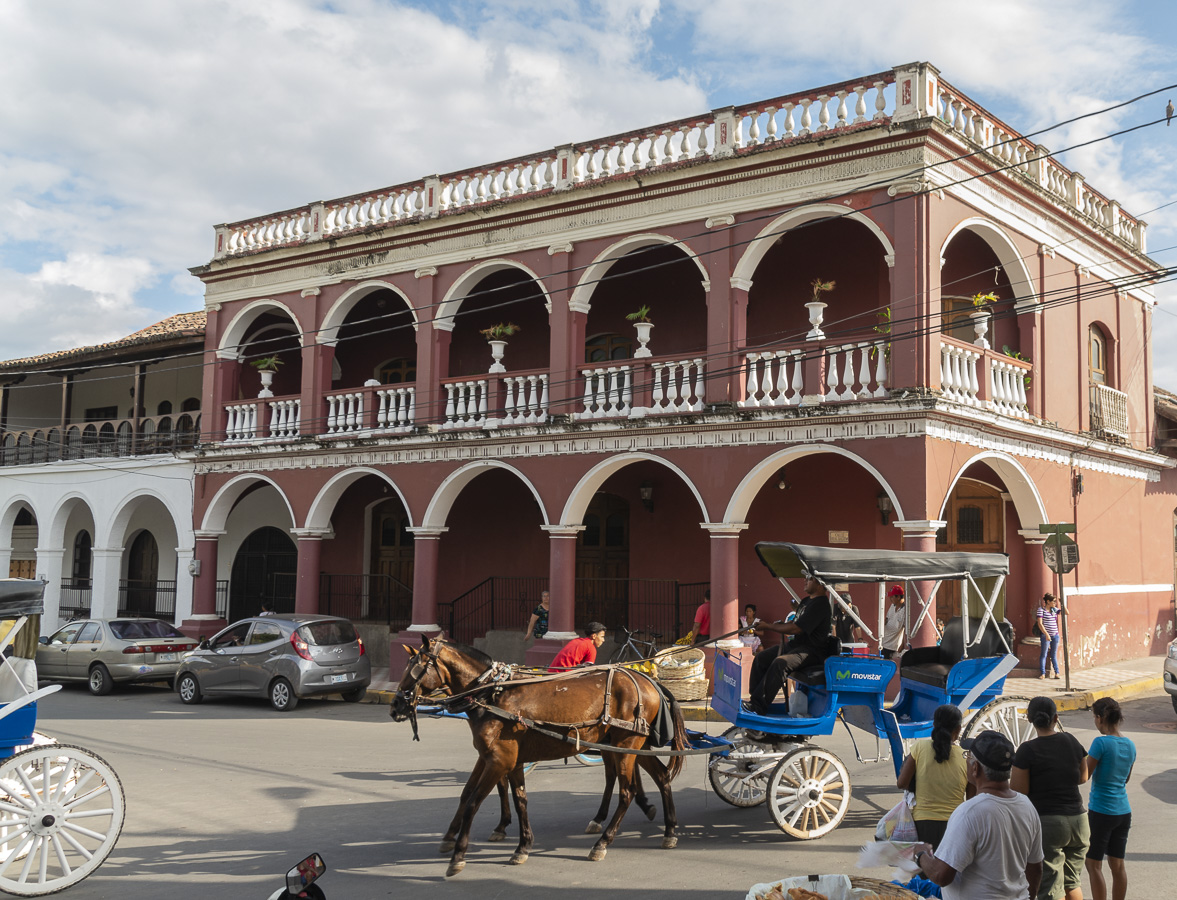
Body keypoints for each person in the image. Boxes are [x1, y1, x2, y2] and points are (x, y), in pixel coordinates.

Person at [914, 729, 1044, 900]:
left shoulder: (970, 812)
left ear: (975, 768)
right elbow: (1035, 868)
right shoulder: (1026, 806)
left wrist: (920, 854)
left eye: (967, 758)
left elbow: (941, 875)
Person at [1011, 696, 1090, 900]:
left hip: (1048, 825)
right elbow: (1083, 777)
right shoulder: (1071, 740)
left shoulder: (1027, 750)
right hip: (1079, 822)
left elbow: (1019, 791)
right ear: (1056, 718)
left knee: (1050, 888)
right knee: (1072, 883)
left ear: (1029, 719)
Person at [746, 574, 832, 714]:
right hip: (796, 645)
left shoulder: (821, 604)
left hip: (812, 651)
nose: (805, 580)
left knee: (781, 663)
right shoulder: (805, 602)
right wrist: (780, 625)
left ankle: (758, 707)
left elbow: (797, 628)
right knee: (761, 658)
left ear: (820, 584)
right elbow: (793, 623)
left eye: (810, 578)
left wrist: (768, 626)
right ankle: (754, 701)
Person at [896, 704, 970, 850]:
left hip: (922, 824)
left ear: (934, 725)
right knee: (949, 872)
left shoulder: (919, 748)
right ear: (958, 729)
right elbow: (972, 800)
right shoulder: (966, 757)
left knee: (922, 869)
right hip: (955, 825)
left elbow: (902, 783)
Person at [1084, 697, 1135, 900]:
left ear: (1100, 718)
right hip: (1123, 811)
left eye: (1094, 717)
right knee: (1118, 864)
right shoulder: (1130, 745)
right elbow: (1126, 779)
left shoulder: (1100, 743)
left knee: (1093, 863)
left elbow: (1084, 775)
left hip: (1101, 811)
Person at [1036, 593, 1062, 680]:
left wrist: (1062, 603)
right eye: (1053, 601)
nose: (1055, 603)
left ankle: (1057, 672)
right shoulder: (1041, 610)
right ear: (1048, 601)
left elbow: (1066, 613)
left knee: (1053, 654)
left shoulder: (1054, 610)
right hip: (1046, 636)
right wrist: (1046, 634)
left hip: (1055, 635)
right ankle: (1043, 673)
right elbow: (1040, 623)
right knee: (1044, 654)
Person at [880, 585, 907, 659]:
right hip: (884, 643)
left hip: (894, 647)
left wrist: (902, 646)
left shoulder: (905, 610)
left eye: (892, 597)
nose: (890, 599)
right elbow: (887, 618)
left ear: (898, 597)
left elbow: (905, 629)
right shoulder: (892, 606)